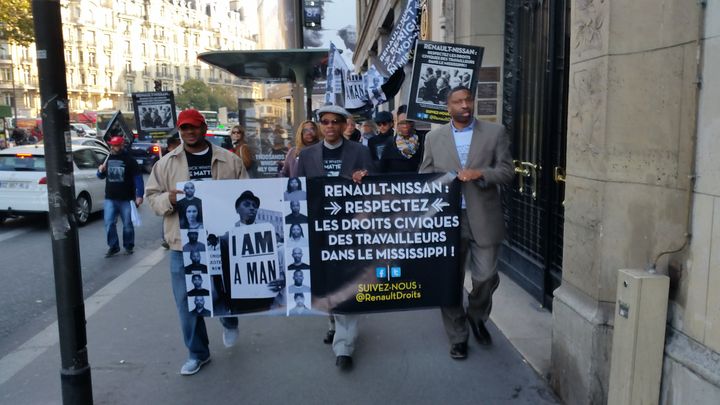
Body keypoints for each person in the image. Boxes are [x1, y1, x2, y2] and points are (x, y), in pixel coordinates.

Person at [146, 108, 247, 376]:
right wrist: (169, 199)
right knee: (187, 303)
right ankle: (198, 353)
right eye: (184, 129)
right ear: (180, 131)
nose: (189, 133)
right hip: (183, 244)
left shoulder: (229, 160)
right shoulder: (166, 164)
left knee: (226, 291)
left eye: (194, 127)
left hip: (221, 240)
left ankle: (229, 320)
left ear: (204, 128)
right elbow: (152, 199)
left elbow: (245, 192)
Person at [419, 86, 514, 360]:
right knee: (449, 280)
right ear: (447, 107)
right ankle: (457, 336)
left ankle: (476, 315)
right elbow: (424, 175)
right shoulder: (434, 138)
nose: (465, 105)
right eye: (458, 101)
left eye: (468, 100)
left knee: (486, 276)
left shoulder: (495, 133)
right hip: (448, 220)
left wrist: (479, 173)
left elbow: (507, 171)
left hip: (484, 216)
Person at [296, 104, 374, 372]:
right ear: (320, 125)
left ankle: (344, 345)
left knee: (346, 281)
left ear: (344, 125)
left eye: (335, 122)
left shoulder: (360, 152)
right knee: (326, 281)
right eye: (325, 122)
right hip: (319, 229)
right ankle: (332, 321)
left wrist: (365, 178)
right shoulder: (306, 156)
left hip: (351, 229)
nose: (329, 126)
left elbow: (375, 187)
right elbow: (297, 191)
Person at [97, 136, 144, 257]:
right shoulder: (107, 158)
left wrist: (139, 195)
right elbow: (100, 176)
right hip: (110, 197)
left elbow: (138, 178)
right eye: (112, 145)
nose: (114, 147)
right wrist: (100, 171)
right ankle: (113, 246)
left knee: (127, 224)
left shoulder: (129, 160)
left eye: (117, 145)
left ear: (122, 145)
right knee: (108, 223)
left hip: (126, 198)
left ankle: (128, 246)